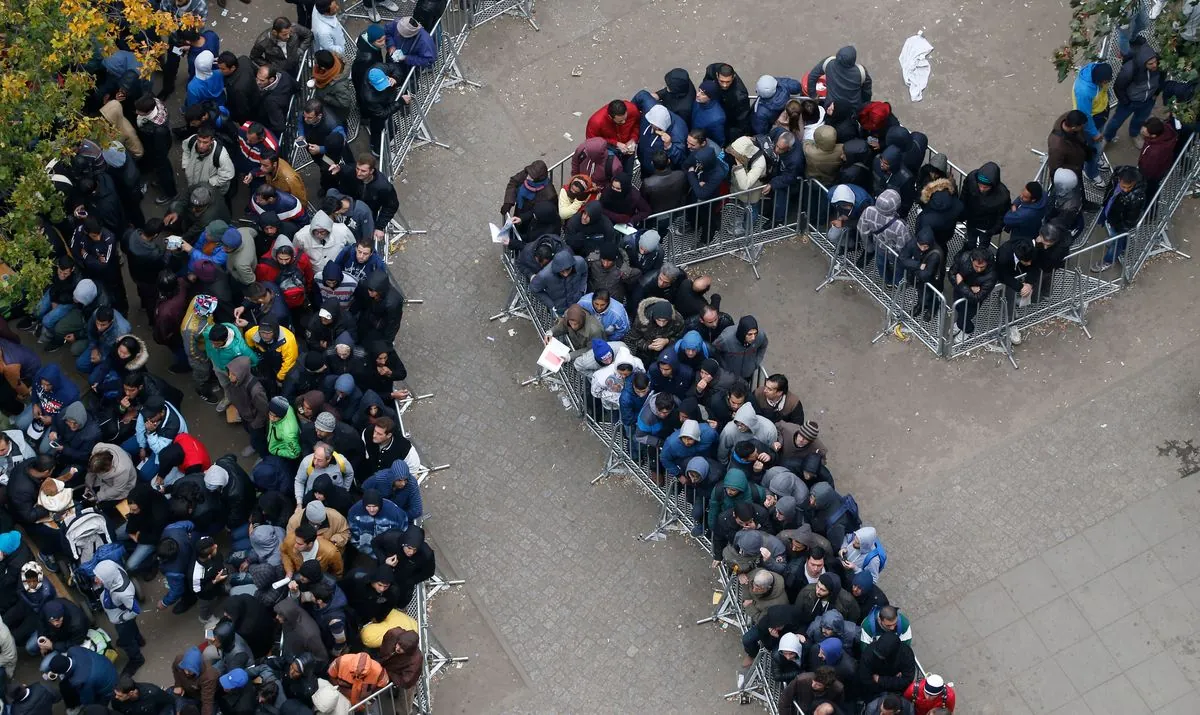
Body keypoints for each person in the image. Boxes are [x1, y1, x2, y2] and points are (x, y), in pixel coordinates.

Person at [1092, 165, 1149, 272]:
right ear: (1119, 180)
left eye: (1129, 187)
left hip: (1120, 223)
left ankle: (1108, 260)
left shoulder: (1136, 197)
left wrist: (1121, 228)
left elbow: (1131, 218)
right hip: (1113, 214)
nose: (1126, 190)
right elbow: (1109, 192)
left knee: (1116, 242)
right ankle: (1122, 247)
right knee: (1117, 239)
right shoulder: (1115, 178)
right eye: (1123, 186)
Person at [93, 561, 144, 676]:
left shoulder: (123, 594)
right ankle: (139, 640)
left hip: (122, 620)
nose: (96, 580)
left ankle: (137, 659)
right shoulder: (115, 571)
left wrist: (121, 618)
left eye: (99, 578)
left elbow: (136, 610)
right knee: (132, 628)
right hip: (121, 613)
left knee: (127, 640)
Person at [1105, 41, 1161, 146]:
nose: (1155, 65)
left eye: (1155, 62)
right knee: (1117, 121)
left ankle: (1134, 134)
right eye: (1151, 64)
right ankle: (1107, 137)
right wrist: (1126, 102)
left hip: (1148, 101)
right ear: (1143, 63)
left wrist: (1155, 94)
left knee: (1139, 120)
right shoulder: (1129, 70)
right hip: (1131, 102)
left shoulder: (1159, 65)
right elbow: (1118, 87)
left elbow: (1161, 79)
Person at [41, 646, 118, 709]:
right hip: (107, 666)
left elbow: (88, 699)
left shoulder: (78, 681)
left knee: (94, 708)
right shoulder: (74, 650)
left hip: (109, 688)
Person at [960, 162, 1011, 251]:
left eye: (985, 187)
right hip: (972, 220)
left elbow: (1002, 216)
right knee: (970, 241)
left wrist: (993, 230)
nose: (981, 189)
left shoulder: (1003, 195)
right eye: (980, 185)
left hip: (987, 227)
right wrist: (962, 212)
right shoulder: (972, 179)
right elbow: (964, 195)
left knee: (983, 246)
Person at [950, 248, 997, 341]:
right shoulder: (964, 258)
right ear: (972, 260)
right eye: (976, 266)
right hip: (959, 293)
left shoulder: (992, 275)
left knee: (966, 316)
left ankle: (967, 330)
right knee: (958, 309)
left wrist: (961, 284)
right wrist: (968, 288)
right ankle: (960, 324)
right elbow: (951, 274)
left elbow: (977, 297)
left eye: (982, 267)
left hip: (972, 302)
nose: (979, 269)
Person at [808, 46, 872, 111]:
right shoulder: (861, 72)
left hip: (831, 108)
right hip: (852, 109)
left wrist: (813, 95)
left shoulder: (828, 63)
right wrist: (864, 105)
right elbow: (867, 93)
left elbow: (812, 77)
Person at [585, 99, 640, 166]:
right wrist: (615, 144)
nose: (624, 122)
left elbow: (637, 124)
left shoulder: (632, 109)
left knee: (627, 173)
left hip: (628, 148)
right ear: (610, 117)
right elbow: (592, 143)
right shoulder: (596, 122)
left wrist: (633, 139)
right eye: (620, 121)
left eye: (625, 119)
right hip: (609, 151)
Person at [1046, 110, 1090, 183]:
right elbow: (1055, 168)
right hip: (1071, 171)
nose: (1083, 127)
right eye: (1081, 126)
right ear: (1073, 128)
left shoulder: (1069, 118)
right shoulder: (1057, 147)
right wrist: (1074, 170)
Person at [1138, 116, 1178, 192]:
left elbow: (1149, 169)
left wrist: (1142, 174)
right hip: (1161, 168)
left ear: (1153, 136)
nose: (1141, 131)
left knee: (1150, 188)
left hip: (1152, 174)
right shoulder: (1165, 131)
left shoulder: (1155, 151)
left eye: (1144, 132)